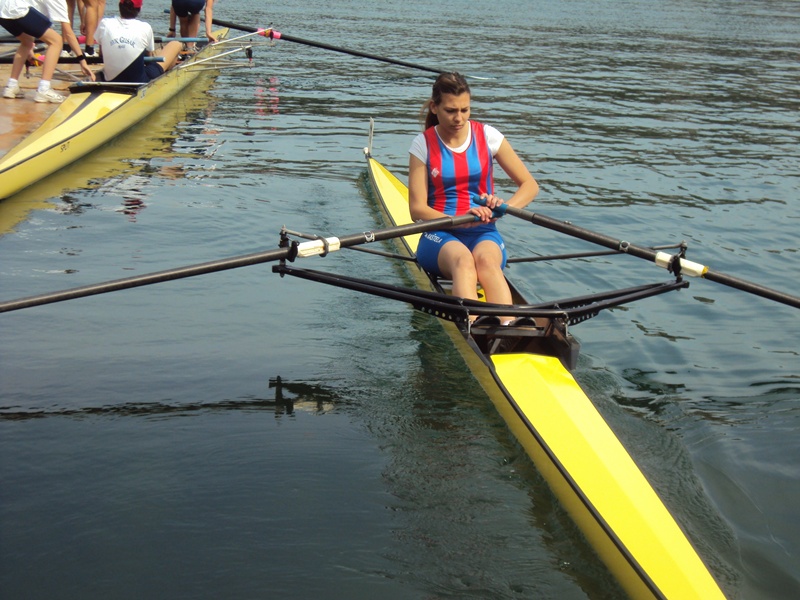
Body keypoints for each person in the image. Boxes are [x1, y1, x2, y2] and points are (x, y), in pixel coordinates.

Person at [408, 72, 539, 323]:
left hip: (484, 231)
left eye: (464, 110)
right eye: (450, 111)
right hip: (440, 233)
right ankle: (472, 327)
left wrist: (503, 207)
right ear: (434, 107)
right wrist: (458, 219)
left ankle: (507, 327)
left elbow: (530, 186)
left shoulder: (488, 136)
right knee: (464, 261)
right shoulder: (422, 145)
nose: (459, 118)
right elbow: (417, 210)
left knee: (487, 262)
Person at [0, 0, 95, 102]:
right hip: (17, 10)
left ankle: (11, 86)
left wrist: (30, 48)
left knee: (27, 42)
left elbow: (32, 22)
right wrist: (82, 61)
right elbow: (68, 34)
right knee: (56, 41)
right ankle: (44, 89)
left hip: (3, 10)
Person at [94, 0, 182, 83]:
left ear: (120, 6)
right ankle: (168, 77)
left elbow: (101, 54)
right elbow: (149, 57)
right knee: (176, 44)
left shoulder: (104, 23)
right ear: (139, 9)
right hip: (139, 81)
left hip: (111, 80)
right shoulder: (145, 27)